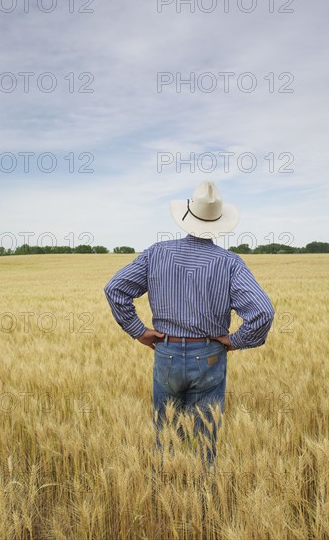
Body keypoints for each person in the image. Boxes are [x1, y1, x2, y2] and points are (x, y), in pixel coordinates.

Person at [104, 181, 275, 474]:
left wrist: (139, 331)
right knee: (205, 438)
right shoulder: (230, 263)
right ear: (219, 223)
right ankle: (201, 500)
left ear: (187, 217)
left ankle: (166, 491)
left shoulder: (156, 253)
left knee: (166, 436)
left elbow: (115, 289)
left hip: (166, 353)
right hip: (209, 354)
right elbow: (263, 312)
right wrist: (234, 341)